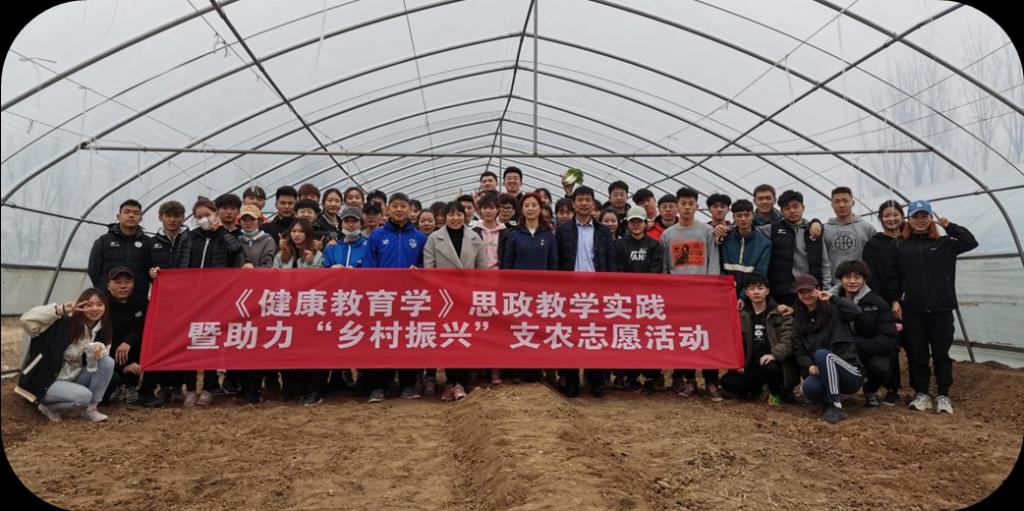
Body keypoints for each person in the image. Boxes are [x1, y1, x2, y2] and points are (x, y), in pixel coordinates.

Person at [888, 200, 977, 415]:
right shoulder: (900, 245)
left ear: (930, 218)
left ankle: (944, 395)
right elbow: (894, 276)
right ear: (909, 220)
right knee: (917, 353)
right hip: (912, 309)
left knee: (941, 353)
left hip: (941, 308)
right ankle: (922, 394)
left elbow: (970, 241)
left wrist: (948, 225)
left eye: (924, 216)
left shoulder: (946, 243)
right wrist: (894, 299)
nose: (920, 221)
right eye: (915, 217)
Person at [176, 196, 244, 407]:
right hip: (190, 296)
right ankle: (190, 388)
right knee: (189, 341)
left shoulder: (224, 236)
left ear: (215, 214)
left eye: (207, 215)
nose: (204, 219)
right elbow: (178, 262)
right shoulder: (189, 237)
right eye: (200, 216)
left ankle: (209, 387)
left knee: (210, 340)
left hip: (215, 296)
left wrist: (221, 231)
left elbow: (236, 250)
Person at [362, 192, 427, 403]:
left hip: (410, 299)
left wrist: (418, 271)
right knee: (381, 339)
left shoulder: (419, 238)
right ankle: (379, 385)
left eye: (403, 206)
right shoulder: (377, 236)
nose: (399, 210)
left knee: (408, 339)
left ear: (410, 210)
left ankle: (407, 384)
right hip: (383, 298)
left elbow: (426, 267)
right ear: (388, 209)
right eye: (395, 206)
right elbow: (369, 266)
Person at [15, 290, 116, 422]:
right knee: (84, 397)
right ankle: (46, 406)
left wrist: (97, 354)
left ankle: (91, 409)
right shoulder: (62, 323)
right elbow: (26, 319)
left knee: (107, 362)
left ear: (105, 307)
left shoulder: (103, 329)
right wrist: (60, 309)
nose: (94, 309)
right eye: (89, 304)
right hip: (47, 381)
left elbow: (102, 355)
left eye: (99, 304)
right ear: (81, 306)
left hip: (73, 377)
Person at [661, 187, 722, 400]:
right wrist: (669, 292)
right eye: (683, 203)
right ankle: (688, 379)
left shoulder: (706, 231)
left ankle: (711, 380)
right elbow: (665, 267)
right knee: (685, 337)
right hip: (679, 296)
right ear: (677, 206)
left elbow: (713, 261)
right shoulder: (668, 235)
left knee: (706, 337)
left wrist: (711, 289)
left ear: (697, 206)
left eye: (691, 203)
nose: (687, 207)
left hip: (703, 294)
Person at [555, 186, 616, 398]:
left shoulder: (603, 231)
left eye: (587, 200)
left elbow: (610, 261)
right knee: (571, 336)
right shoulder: (563, 230)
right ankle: (571, 381)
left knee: (595, 335)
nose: (583, 203)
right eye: (579, 199)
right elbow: (558, 261)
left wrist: (610, 288)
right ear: (573, 203)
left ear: (593, 204)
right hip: (570, 291)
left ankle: (596, 381)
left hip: (596, 291)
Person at [424, 201, 489, 399]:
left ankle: (461, 382)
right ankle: (451, 382)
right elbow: (429, 269)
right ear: (444, 217)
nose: (455, 218)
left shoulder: (475, 238)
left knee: (465, 338)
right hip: (444, 298)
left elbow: (482, 269)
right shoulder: (435, 238)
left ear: (465, 216)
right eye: (451, 214)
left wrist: (478, 293)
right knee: (449, 338)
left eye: (459, 214)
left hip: (467, 296)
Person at [791, 274, 865, 424]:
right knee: (809, 387)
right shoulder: (798, 319)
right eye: (801, 292)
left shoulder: (834, 309)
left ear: (818, 289)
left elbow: (856, 312)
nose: (806, 295)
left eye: (809, 290)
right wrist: (809, 365)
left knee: (823, 355)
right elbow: (799, 350)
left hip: (849, 372)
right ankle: (828, 400)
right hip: (821, 372)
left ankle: (835, 405)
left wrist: (832, 297)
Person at [502, 193, 557, 384]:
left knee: (540, 330)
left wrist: (552, 291)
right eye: (527, 205)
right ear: (522, 209)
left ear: (540, 209)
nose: (531, 208)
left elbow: (553, 265)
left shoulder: (548, 235)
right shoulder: (514, 235)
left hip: (542, 294)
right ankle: (521, 369)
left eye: (534, 205)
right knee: (522, 329)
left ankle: (539, 367)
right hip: (520, 294)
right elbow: (507, 264)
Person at [272, 218, 326, 406]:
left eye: (301, 231)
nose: (296, 235)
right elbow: (274, 280)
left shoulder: (317, 255)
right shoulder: (281, 255)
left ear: (308, 234)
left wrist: (309, 264)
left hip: (309, 309)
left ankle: (313, 389)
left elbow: (320, 281)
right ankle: (290, 387)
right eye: (293, 231)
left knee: (311, 350)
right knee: (288, 348)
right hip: (286, 309)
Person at [829, 260, 897, 408]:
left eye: (857, 277)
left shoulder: (877, 303)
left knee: (881, 367)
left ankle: (870, 390)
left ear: (865, 280)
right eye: (847, 277)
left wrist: (856, 345)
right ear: (840, 279)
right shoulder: (829, 301)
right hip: (838, 351)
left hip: (867, 351)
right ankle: (833, 392)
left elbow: (887, 337)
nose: (852, 281)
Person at [613, 206, 664, 393]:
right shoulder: (620, 245)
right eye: (633, 221)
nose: (636, 225)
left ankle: (652, 376)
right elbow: (617, 268)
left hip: (648, 301)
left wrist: (643, 288)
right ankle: (631, 375)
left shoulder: (654, 245)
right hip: (626, 300)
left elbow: (657, 270)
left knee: (650, 336)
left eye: (639, 222)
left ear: (645, 223)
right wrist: (630, 288)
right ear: (628, 223)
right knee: (630, 337)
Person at [720, 274, 792, 406]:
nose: (756, 292)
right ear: (747, 293)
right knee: (727, 382)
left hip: (773, 362)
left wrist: (774, 355)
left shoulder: (781, 313)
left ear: (767, 291)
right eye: (752, 288)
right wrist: (738, 363)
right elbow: (733, 341)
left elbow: (787, 341)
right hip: (750, 364)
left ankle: (774, 393)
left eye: (760, 288)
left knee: (770, 368)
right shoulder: (740, 314)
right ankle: (760, 388)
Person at [862, 200, 904, 404]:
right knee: (891, 345)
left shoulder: (910, 239)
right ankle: (892, 388)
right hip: (887, 303)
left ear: (902, 216)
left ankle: (919, 390)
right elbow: (872, 278)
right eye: (886, 215)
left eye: (895, 214)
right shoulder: (874, 244)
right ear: (880, 219)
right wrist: (886, 303)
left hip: (911, 301)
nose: (891, 219)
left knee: (915, 347)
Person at [758, 190, 830, 307]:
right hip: (783, 292)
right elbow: (749, 229)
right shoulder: (772, 229)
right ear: (781, 211)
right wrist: (727, 228)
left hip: (810, 291)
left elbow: (824, 262)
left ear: (803, 207)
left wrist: (826, 289)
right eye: (787, 208)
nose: (792, 211)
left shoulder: (814, 231)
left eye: (795, 207)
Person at [103, 268, 156, 407]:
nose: (123, 286)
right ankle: (118, 385)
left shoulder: (142, 303)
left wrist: (129, 341)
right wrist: (122, 367)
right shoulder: (102, 306)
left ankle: (146, 392)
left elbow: (149, 328)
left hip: (135, 351)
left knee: (153, 344)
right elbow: (100, 340)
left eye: (127, 282)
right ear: (108, 285)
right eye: (118, 282)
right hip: (111, 353)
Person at [87, 199, 152, 300]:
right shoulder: (103, 241)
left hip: (138, 299)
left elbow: (152, 271)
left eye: (136, 213)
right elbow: (93, 270)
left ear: (140, 218)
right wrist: (103, 289)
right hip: (107, 299)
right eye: (127, 212)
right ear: (118, 216)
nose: (131, 215)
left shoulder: (148, 242)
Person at [720, 199, 772, 296]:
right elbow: (718, 266)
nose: (743, 219)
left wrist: (744, 296)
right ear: (733, 217)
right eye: (739, 216)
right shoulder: (724, 239)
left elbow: (760, 273)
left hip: (750, 295)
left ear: (753, 216)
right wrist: (726, 283)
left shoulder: (764, 243)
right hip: (725, 292)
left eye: (747, 215)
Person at [823, 187, 877, 270]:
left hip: (861, 277)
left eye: (845, 201)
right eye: (837, 201)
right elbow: (823, 260)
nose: (841, 205)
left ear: (853, 203)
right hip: (834, 278)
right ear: (832, 205)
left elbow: (876, 258)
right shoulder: (825, 230)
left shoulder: (867, 228)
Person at [473, 193, 509, 270]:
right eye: (485, 208)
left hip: (500, 274)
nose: (488, 211)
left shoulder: (505, 233)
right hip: (479, 274)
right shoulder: (474, 233)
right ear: (480, 210)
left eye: (492, 208)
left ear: (498, 210)